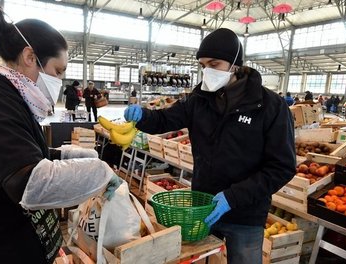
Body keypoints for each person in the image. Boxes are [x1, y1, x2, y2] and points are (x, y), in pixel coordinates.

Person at [0, 7, 120, 264]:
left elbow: (24, 153)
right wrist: (99, 172)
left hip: (10, 238)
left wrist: (70, 155)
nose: (58, 80)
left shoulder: (9, 96)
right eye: (58, 71)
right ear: (29, 56)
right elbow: (28, 182)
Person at [124, 28, 295, 264]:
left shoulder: (270, 107)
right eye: (203, 65)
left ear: (235, 64)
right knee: (205, 260)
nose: (208, 71)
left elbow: (281, 167)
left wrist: (232, 197)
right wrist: (141, 116)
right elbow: (165, 119)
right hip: (203, 207)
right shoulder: (199, 100)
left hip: (246, 212)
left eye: (214, 64)